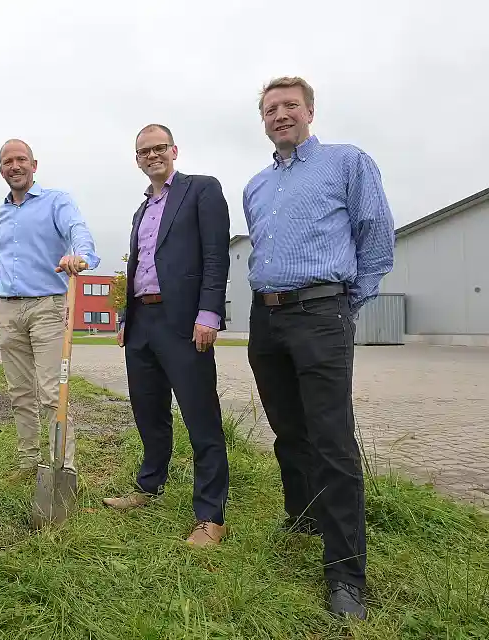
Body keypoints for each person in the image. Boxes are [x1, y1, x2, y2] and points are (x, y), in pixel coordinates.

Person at [243, 76, 395, 620]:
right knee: (289, 429)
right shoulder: (256, 186)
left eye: (289, 106)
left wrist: (347, 303)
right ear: (262, 119)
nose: (279, 115)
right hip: (268, 317)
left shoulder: (346, 163)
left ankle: (346, 573)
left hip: (321, 313)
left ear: (309, 110)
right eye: (269, 109)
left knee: (332, 439)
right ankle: (304, 516)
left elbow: (375, 233)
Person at [103, 124, 231, 548]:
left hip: (184, 323)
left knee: (201, 417)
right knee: (149, 411)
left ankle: (210, 515)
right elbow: (137, 266)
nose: (153, 155)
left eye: (160, 148)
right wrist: (125, 316)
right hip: (143, 325)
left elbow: (216, 254)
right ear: (137, 159)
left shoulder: (201, 190)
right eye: (144, 151)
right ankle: (149, 486)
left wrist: (209, 313)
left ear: (174, 150)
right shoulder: (141, 211)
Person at [0, 139, 100, 480]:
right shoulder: (0, 214)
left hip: (47, 308)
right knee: (19, 392)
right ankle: (27, 462)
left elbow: (78, 231)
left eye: (21, 159)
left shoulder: (57, 201)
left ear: (34, 165)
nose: (15, 166)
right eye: (8, 161)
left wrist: (79, 255)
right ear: (1, 171)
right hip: (8, 310)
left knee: (53, 391)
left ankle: (62, 468)